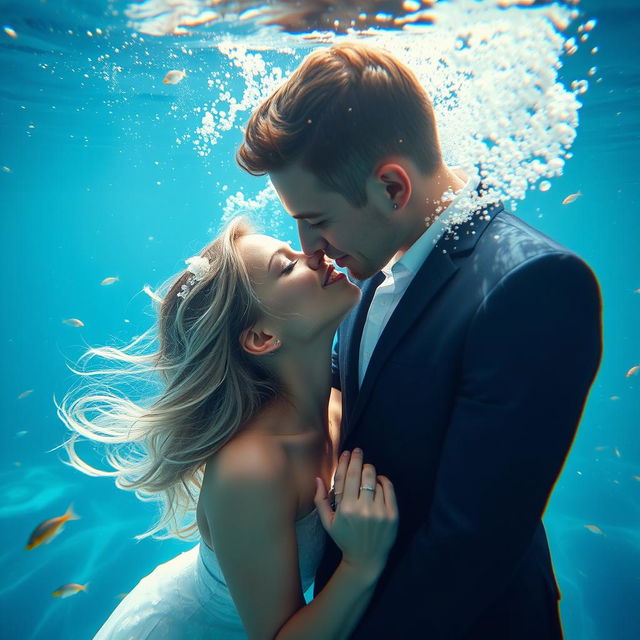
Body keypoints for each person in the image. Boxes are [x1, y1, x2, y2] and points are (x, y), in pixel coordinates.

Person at [237, 42, 603, 639]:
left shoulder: (535, 287)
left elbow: (469, 550)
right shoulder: (363, 266)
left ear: (392, 187)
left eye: (318, 220)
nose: (308, 248)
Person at [58, 216, 399, 640]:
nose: (312, 253)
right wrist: (362, 563)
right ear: (261, 336)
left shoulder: (339, 400)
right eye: (286, 265)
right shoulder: (252, 468)